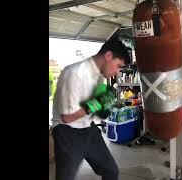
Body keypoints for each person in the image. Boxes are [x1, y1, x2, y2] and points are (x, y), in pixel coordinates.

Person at [51, 39, 130, 180]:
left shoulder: (100, 78)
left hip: (88, 129)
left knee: (111, 171)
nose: (117, 72)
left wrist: (104, 109)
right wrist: (97, 104)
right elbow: (67, 117)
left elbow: (98, 110)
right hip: (66, 132)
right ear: (108, 56)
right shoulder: (73, 73)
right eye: (118, 66)